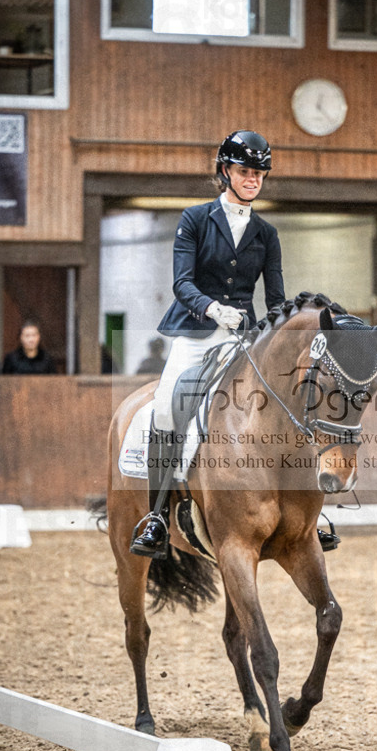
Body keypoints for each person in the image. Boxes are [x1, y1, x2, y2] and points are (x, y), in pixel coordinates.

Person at [130, 129, 285, 557]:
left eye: (260, 173)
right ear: (225, 171)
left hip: (244, 339)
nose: (253, 179)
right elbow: (181, 283)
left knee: (286, 402)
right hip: (197, 332)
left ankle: (305, 510)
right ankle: (157, 516)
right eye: (245, 171)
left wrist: (278, 330)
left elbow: (275, 300)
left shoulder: (267, 233)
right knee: (165, 406)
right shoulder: (195, 219)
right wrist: (214, 309)